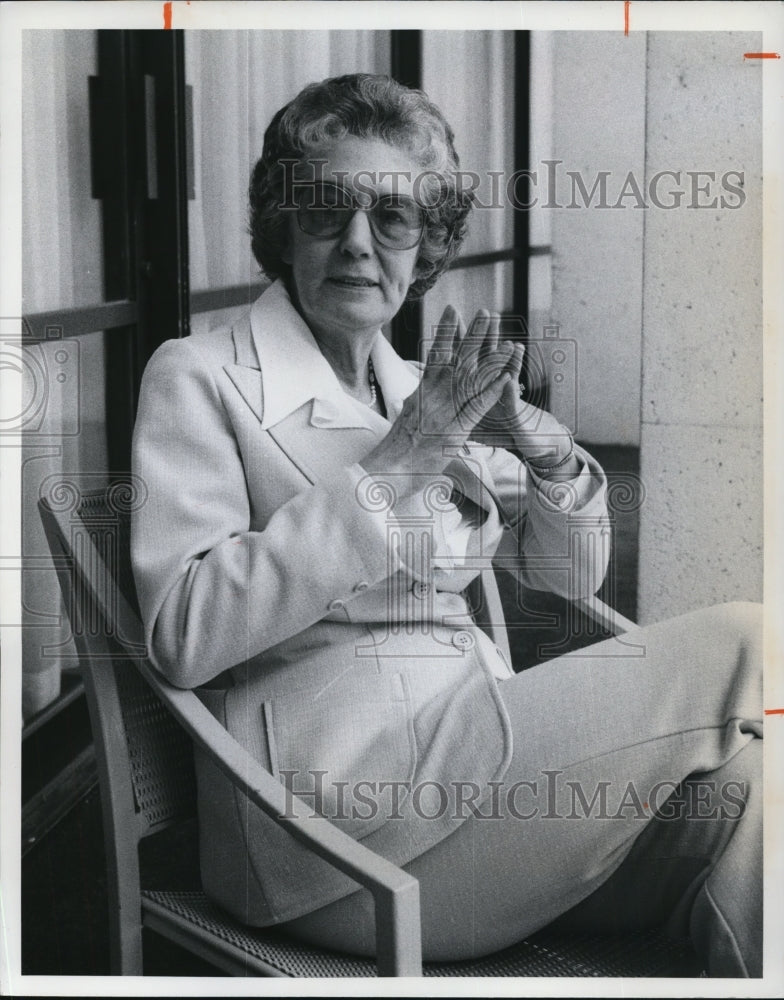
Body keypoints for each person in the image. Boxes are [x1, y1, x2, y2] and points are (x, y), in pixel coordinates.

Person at [130, 73, 763, 977]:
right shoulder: (198, 375)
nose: (358, 243)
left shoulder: (415, 385)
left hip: (476, 775)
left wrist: (549, 460)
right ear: (281, 224)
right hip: (330, 831)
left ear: (425, 245)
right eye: (325, 208)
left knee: (753, 796)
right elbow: (183, 634)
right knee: (750, 639)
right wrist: (394, 466)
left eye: (393, 219)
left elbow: (565, 578)